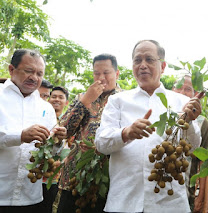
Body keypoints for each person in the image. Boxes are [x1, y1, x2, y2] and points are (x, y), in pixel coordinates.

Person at [95, 40, 202, 212]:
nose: (143, 65)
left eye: (149, 60)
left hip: (170, 204)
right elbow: (101, 143)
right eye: (137, 60)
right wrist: (126, 133)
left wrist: (189, 122)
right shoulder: (117, 101)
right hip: (124, 203)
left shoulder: (182, 102)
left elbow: (195, 147)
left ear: (163, 66)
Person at [0, 49, 67, 213]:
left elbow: (51, 151)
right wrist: (21, 136)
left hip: (31, 197)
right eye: (29, 71)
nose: (34, 78)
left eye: (39, 73)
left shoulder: (46, 108)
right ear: (11, 70)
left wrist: (58, 140)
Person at [53, 53, 121, 213]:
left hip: (106, 180)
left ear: (116, 74)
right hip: (74, 178)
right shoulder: (82, 97)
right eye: (97, 73)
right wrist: (85, 102)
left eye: (106, 73)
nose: (101, 77)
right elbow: (63, 131)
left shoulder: (124, 100)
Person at [172, 74, 208, 212]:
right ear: (172, 90)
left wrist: (200, 198)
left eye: (187, 89)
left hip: (185, 192)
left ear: (195, 95)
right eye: (178, 88)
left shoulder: (202, 123)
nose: (182, 92)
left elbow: (203, 163)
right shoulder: (162, 116)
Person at [39, 86, 70, 213]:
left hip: (56, 179)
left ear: (66, 102)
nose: (56, 99)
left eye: (61, 97)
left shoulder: (69, 122)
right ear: (49, 99)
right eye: (54, 96)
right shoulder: (41, 117)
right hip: (36, 176)